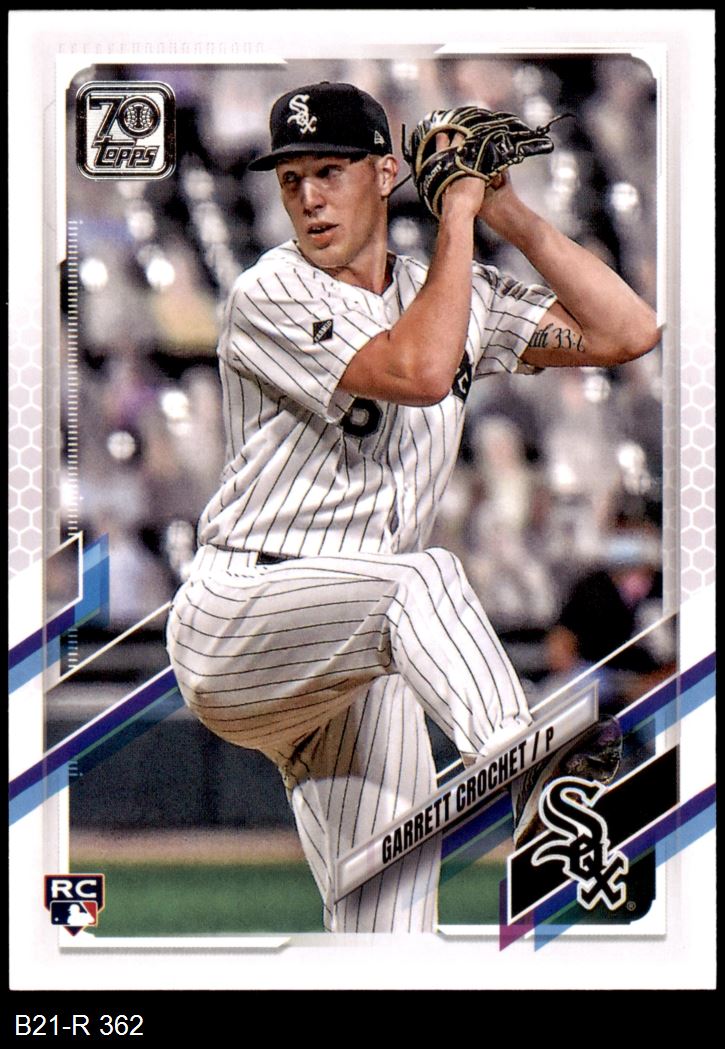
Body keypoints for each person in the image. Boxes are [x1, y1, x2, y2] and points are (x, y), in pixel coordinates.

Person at [165, 81, 659, 933]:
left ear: (385, 172)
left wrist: (508, 213)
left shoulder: (448, 294)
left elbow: (628, 331)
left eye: (330, 171)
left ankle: (530, 803)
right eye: (291, 179)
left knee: (389, 933)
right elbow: (421, 370)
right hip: (244, 614)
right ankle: (533, 774)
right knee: (419, 576)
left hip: (356, 654)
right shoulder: (269, 291)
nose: (309, 197)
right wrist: (456, 216)